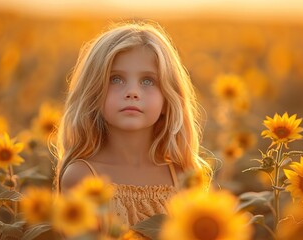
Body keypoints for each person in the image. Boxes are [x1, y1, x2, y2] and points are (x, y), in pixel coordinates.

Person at [55, 21, 212, 228]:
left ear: (167, 99)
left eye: (148, 81)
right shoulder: (83, 177)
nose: (132, 92)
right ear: (93, 93)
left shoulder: (183, 175)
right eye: (116, 79)